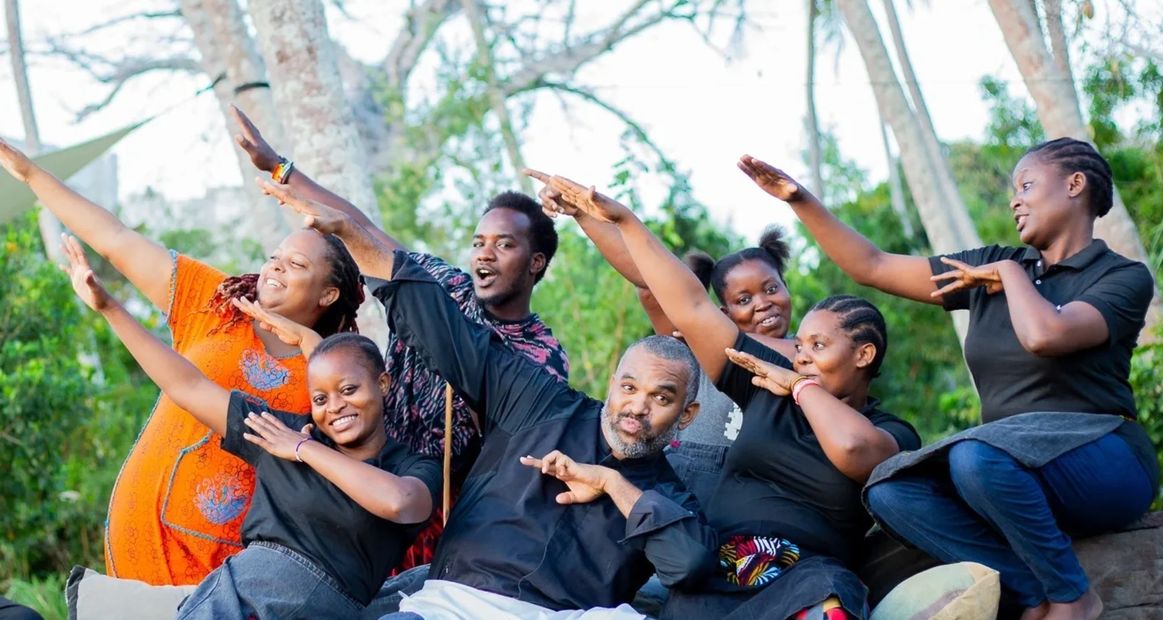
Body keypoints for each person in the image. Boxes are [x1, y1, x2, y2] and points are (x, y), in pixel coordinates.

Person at [736, 142, 1158, 620]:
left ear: (1074, 185)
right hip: (1004, 471)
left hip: (1103, 460)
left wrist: (1008, 274)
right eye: (1012, 192)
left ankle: (1072, 597)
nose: (1014, 201)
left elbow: (1046, 334)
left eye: (1026, 186)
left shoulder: (1120, 277)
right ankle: (1029, 595)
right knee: (890, 491)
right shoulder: (989, 265)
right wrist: (798, 199)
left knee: (976, 457)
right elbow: (872, 266)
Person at [272, 192, 714, 619]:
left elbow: (688, 564)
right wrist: (350, 233)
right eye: (630, 388)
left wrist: (612, 484)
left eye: (661, 397)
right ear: (612, 383)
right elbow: (442, 327)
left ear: (686, 415)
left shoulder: (668, 494)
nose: (637, 407)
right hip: (457, 603)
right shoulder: (540, 402)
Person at [540, 176, 921, 619]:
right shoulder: (758, 384)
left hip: (802, 573)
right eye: (801, 349)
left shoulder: (887, 430)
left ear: (863, 354)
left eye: (816, 347)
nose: (801, 355)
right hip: (712, 563)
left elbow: (856, 450)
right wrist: (617, 219)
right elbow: (684, 303)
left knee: (823, 596)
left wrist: (799, 386)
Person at [0, 138, 365, 585]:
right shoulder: (217, 303)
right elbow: (116, 239)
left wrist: (311, 345)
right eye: (275, 257)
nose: (275, 269)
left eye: (296, 265)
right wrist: (30, 174)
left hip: (227, 574)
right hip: (138, 537)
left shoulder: (332, 373)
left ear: (328, 295)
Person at [231, 106, 569, 565]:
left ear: (536, 263)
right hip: (361, 458)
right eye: (478, 243)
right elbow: (361, 229)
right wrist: (278, 166)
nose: (484, 254)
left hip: (434, 505)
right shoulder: (441, 287)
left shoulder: (541, 356)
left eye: (504, 244)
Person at [60, 234, 440, 619]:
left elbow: (402, 503)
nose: (335, 406)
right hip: (232, 594)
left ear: (384, 384)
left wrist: (304, 450)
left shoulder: (405, 465)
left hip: (314, 601)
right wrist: (110, 308)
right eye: (321, 399)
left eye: (349, 390)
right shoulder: (279, 432)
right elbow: (186, 386)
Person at [528, 169, 795, 506]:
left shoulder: (808, 352)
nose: (763, 303)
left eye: (772, 289)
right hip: (679, 490)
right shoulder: (706, 345)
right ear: (722, 313)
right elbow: (649, 283)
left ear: (787, 289)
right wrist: (581, 211)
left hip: (761, 499)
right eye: (743, 300)